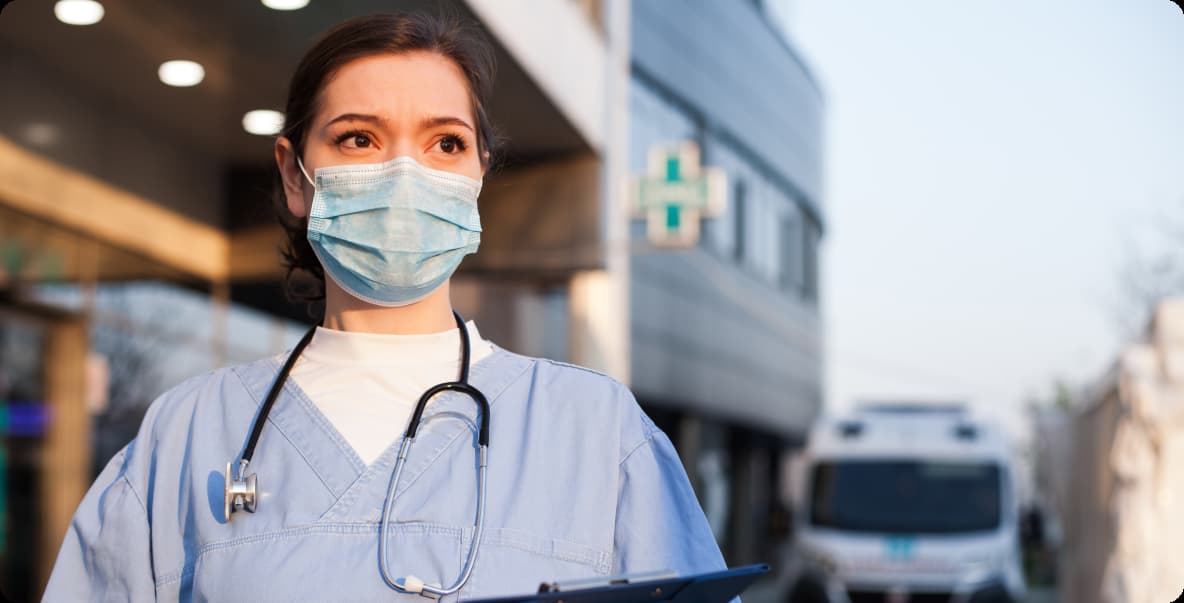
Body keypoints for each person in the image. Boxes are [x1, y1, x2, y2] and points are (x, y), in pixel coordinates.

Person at [42, 11, 727, 602]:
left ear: (478, 176)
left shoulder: (599, 434)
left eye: (446, 143)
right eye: (359, 138)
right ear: (294, 175)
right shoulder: (188, 435)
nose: (406, 173)